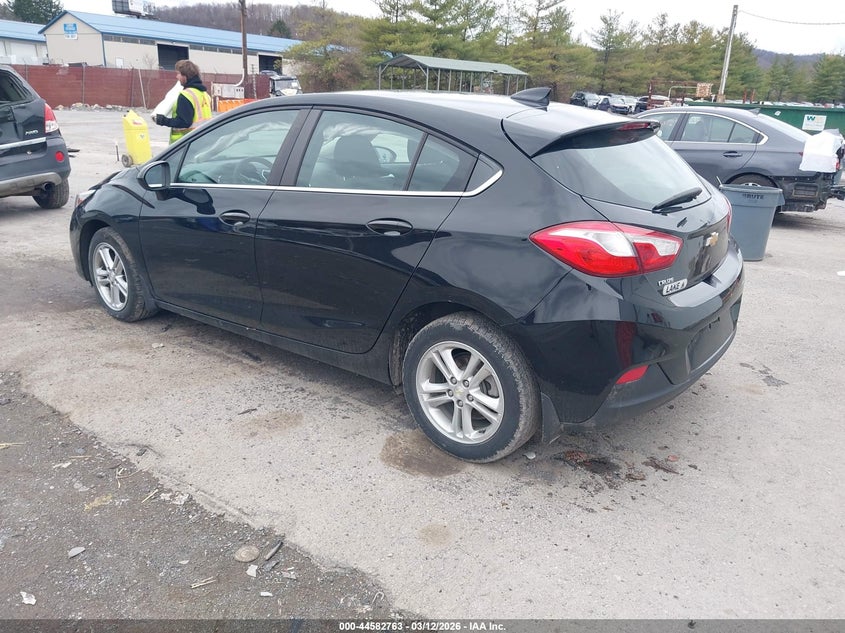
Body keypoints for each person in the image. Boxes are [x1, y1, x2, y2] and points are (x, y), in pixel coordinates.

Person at [154, 59, 212, 144]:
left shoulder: (186, 95)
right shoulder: (204, 94)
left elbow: (184, 122)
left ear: (185, 76)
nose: (177, 77)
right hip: (202, 141)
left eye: (178, 74)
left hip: (185, 144)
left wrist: (162, 120)